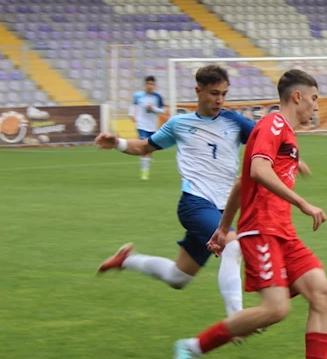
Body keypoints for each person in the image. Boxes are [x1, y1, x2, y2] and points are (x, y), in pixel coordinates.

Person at [174, 69, 327, 359]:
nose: (316, 107)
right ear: (297, 97)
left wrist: (223, 228)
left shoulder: (285, 134)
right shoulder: (273, 125)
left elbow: (243, 184)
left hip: (282, 232)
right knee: (276, 310)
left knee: (322, 293)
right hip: (262, 231)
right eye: (314, 99)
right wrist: (303, 202)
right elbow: (258, 171)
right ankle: (193, 347)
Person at [95, 65, 253, 320]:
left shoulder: (233, 122)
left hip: (222, 210)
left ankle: (126, 260)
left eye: (224, 93)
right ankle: (237, 319)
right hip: (195, 205)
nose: (220, 100)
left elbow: (265, 140)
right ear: (198, 91)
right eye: (214, 93)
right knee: (233, 246)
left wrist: (289, 155)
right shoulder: (180, 124)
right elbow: (145, 146)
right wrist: (118, 143)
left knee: (177, 277)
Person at [130, 75, 165, 181]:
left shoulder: (157, 97)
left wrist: (153, 108)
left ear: (154, 85)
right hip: (141, 125)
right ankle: (144, 173)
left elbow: (162, 110)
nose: (150, 86)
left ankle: (146, 170)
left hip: (152, 126)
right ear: (145, 85)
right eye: (148, 84)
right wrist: (131, 114)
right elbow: (133, 105)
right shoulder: (138, 95)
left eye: (152, 84)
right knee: (143, 147)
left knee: (150, 150)